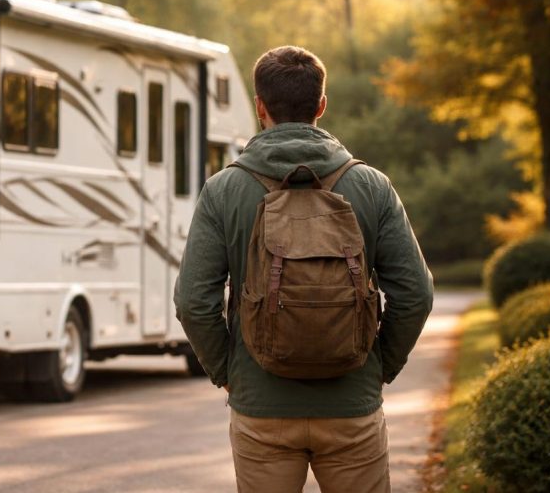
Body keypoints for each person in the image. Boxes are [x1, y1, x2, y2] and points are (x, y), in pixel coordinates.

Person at [174, 45, 433, 492]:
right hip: (352, 407)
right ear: (321, 105)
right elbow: (416, 294)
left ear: (260, 106)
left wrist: (230, 374)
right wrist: (376, 367)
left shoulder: (223, 189)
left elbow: (194, 302)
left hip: (262, 409)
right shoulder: (371, 186)